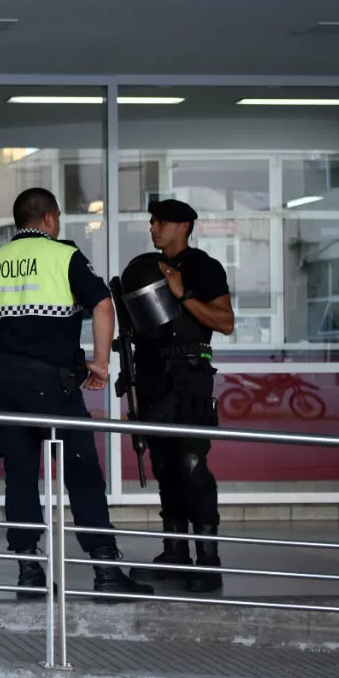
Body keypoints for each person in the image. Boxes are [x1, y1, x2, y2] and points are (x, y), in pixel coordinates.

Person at [0, 188, 150, 599]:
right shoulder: (63, 256)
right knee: (82, 473)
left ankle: (29, 571)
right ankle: (106, 571)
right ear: (51, 219)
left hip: (2, 383)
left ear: (20, 221)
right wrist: (102, 364)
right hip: (52, 385)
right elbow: (103, 306)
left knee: (19, 475)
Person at [121, 199, 235, 593]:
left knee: (190, 463)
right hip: (152, 378)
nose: (154, 227)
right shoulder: (144, 268)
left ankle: (208, 559)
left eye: (162, 222)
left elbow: (225, 322)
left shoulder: (204, 266)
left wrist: (183, 295)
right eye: (152, 220)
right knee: (165, 466)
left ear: (184, 226)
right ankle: (175, 552)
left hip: (189, 377)